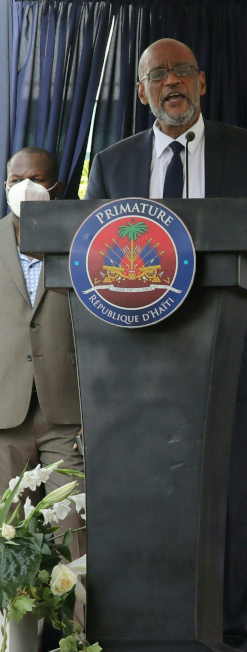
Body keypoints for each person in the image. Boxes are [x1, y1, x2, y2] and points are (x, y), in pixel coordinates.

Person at [84, 38, 247, 651]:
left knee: (231, 502)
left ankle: (230, 634)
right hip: (134, 365)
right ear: (141, 92)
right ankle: (139, 629)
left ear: (203, 83)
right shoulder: (112, 164)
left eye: (183, 70)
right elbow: (90, 263)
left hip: (231, 356)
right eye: (158, 74)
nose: (171, 82)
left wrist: (240, 260)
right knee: (145, 498)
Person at [1, 147, 87, 627]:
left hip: (64, 415)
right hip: (4, 418)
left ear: (57, 187)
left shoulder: (83, 245)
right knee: (6, 542)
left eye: (36, 179)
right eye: (16, 179)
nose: (25, 187)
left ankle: (79, 640)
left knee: (75, 539)